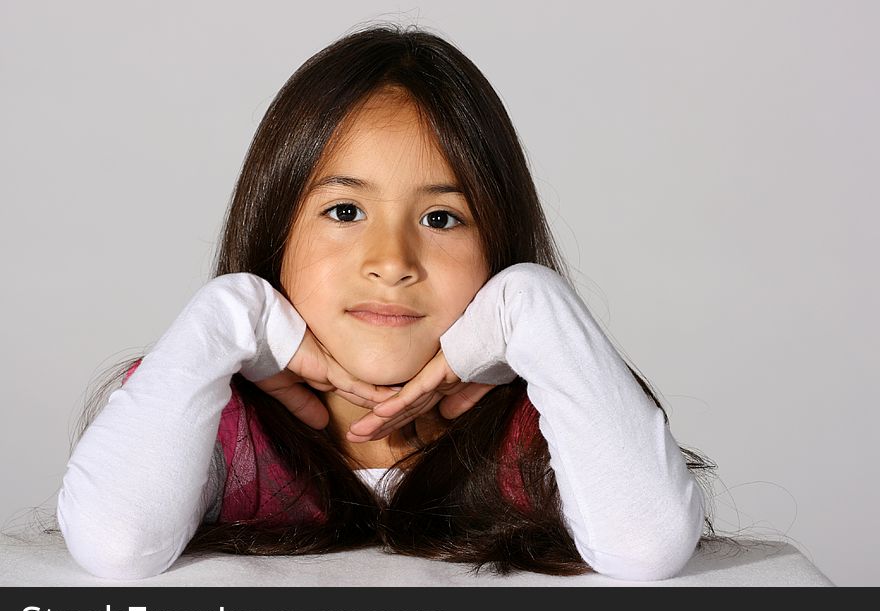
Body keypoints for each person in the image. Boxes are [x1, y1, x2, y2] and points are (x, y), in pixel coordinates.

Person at [57, 22, 722, 582]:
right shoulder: (219, 422)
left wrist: (533, 305)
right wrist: (226, 313)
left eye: (441, 219)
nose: (392, 262)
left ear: (496, 247)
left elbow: (646, 546)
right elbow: (116, 544)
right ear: (275, 236)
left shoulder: (540, 421)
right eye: (345, 210)